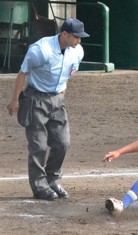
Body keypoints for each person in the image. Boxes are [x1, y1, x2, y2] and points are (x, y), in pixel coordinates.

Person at [6, 18, 89, 200]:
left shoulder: (77, 52)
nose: (79, 41)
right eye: (76, 37)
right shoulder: (40, 50)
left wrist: (61, 97)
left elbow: (68, 74)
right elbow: (23, 73)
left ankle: (52, 180)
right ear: (64, 34)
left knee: (62, 142)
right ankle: (39, 186)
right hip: (35, 99)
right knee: (39, 145)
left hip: (57, 99)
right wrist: (14, 101)